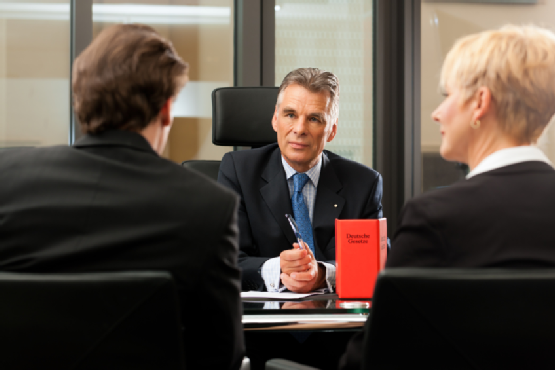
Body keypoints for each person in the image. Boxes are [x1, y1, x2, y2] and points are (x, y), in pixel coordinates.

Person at [0, 24, 244, 370]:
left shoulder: (5, 179)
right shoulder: (209, 206)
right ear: (166, 111)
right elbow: (222, 355)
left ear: (80, 100)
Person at [339, 24, 555, 370]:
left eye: (447, 96)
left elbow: (372, 361)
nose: (437, 113)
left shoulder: (434, 216)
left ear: (480, 103)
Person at [218, 67, 384, 370]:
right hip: (258, 340)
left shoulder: (363, 183)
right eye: (290, 114)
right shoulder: (238, 171)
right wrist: (278, 267)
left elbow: (375, 266)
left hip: (339, 343)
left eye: (314, 118)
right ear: (275, 119)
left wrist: (323, 273)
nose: (299, 129)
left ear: (331, 130)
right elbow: (224, 260)